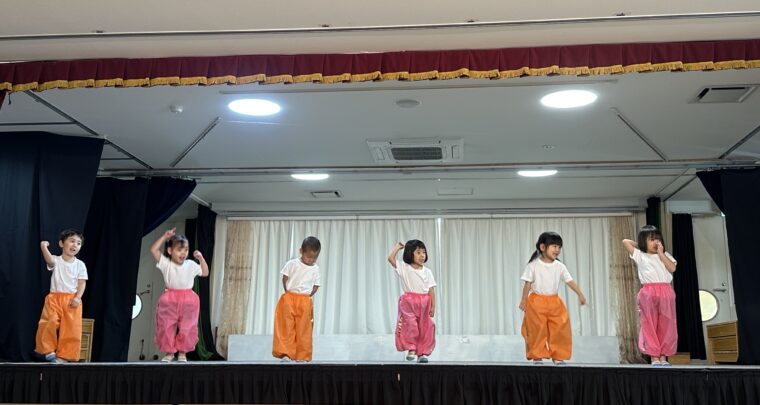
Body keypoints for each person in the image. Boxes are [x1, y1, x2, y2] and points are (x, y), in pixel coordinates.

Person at [519, 231, 586, 365]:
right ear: (543, 247)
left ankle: (558, 356)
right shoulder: (533, 265)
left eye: (559, 247)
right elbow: (528, 283)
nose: (557, 250)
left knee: (560, 327)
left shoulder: (559, 266)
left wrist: (580, 293)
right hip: (536, 301)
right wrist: (524, 300)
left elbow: (569, 281)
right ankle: (537, 356)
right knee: (536, 329)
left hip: (554, 301)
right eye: (554, 246)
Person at [150, 227, 209, 363]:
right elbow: (154, 250)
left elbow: (205, 272)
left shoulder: (191, 264)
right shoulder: (166, 264)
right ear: (170, 251)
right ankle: (170, 352)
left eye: (186, 250)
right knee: (166, 325)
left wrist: (201, 258)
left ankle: (182, 352)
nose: (183, 253)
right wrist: (165, 237)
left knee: (187, 326)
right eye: (179, 250)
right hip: (170, 298)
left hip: (188, 299)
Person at [622, 225, 677, 366]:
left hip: (666, 291)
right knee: (649, 324)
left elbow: (672, 268)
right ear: (644, 242)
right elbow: (625, 241)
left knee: (667, 324)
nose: (656, 242)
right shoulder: (640, 255)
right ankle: (654, 356)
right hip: (648, 292)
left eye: (658, 239)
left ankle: (663, 356)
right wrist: (641, 245)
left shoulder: (665, 255)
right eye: (652, 239)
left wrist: (661, 254)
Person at [35, 229, 88, 363]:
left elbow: (82, 283)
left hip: (72, 299)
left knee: (71, 328)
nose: (75, 245)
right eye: (72, 241)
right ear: (61, 243)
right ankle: (48, 350)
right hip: (54, 298)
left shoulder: (80, 265)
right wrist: (44, 247)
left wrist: (78, 297)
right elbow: (50, 261)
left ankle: (65, 356)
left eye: (78, 243)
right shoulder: (57, 260)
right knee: (49, 322)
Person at [272, 236, 321, 362]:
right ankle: (286, 354)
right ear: (301, 251)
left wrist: (308, 295)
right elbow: (285, 278)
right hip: (289, 297)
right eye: (308, 257)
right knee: (286, 326)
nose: (311, 260)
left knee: (304, 329)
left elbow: (316, 285)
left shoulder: (315, 269)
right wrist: (288, 292)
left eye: (314, 257)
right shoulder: (292, 264)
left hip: (304, 300)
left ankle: (302, 356)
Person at [387, 240, 436, 363]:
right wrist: (397, 247)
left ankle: (422, 353)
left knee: (425, 327)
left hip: (424, 302)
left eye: (424, 252)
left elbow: (431, 290)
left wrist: (433, 307)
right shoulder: (404, 268)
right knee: (410, 325)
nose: (422, 255)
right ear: (410, 253)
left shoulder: (427, 272)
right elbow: (391, 259)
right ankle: (411, 348)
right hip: (409, 302)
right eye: (418, 252)